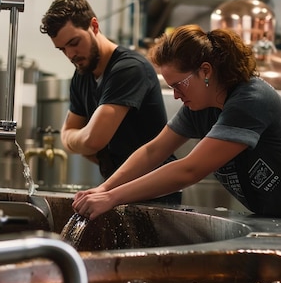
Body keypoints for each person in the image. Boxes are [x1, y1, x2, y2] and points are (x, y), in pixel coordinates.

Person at [72, 24, 281, 219]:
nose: (175, 96)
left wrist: (112, 198)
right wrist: (104, 189)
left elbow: (190, 169)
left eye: (179, 85)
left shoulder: (250, 100)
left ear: (205, 71)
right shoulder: (200, 106)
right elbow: (153, 151)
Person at [40, 0, 181, 202]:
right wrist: (80, 140)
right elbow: (73, 138)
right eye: (62, 49)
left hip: (155, 194)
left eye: (74, 42)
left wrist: (79, 139)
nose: (70, 54)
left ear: (94, 26)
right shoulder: (81, 75)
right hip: (115, 188)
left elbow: (93, 140)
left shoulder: (129, 68)